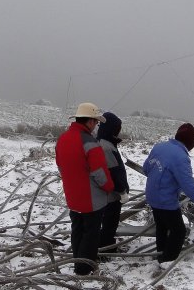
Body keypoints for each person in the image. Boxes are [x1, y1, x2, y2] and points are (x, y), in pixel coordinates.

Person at [55, 102, 115, 275]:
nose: (96, 125)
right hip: (92, 199)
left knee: (77, 229)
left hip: (72, 196)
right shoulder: (90, 143)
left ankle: (77, 261)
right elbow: (100, 173)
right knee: (91, 233)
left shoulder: (63, 139)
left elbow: (60, 166)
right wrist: (109, 188)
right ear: (89, 121)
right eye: (96, 122)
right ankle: (84, 268)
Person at [143, 122, 194, 265]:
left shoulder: (159, 147)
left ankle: (161, 254)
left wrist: (161, 177)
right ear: (190, 143)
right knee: (179, 231)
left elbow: (146, 168)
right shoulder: (180, 157)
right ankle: (168, 261)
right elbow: (188, 185)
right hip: (165, 200)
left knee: (162, 227)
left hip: (152, 196)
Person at [97, 112, 130, 258]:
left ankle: (105, 245)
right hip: (111, 194)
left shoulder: (105, 142)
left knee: (107, 222)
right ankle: (106, 249)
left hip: (107, 193)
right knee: (110, 222)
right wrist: (121, 190)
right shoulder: (106, 147)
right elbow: (113, 171)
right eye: (117, 128)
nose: (118, 131)